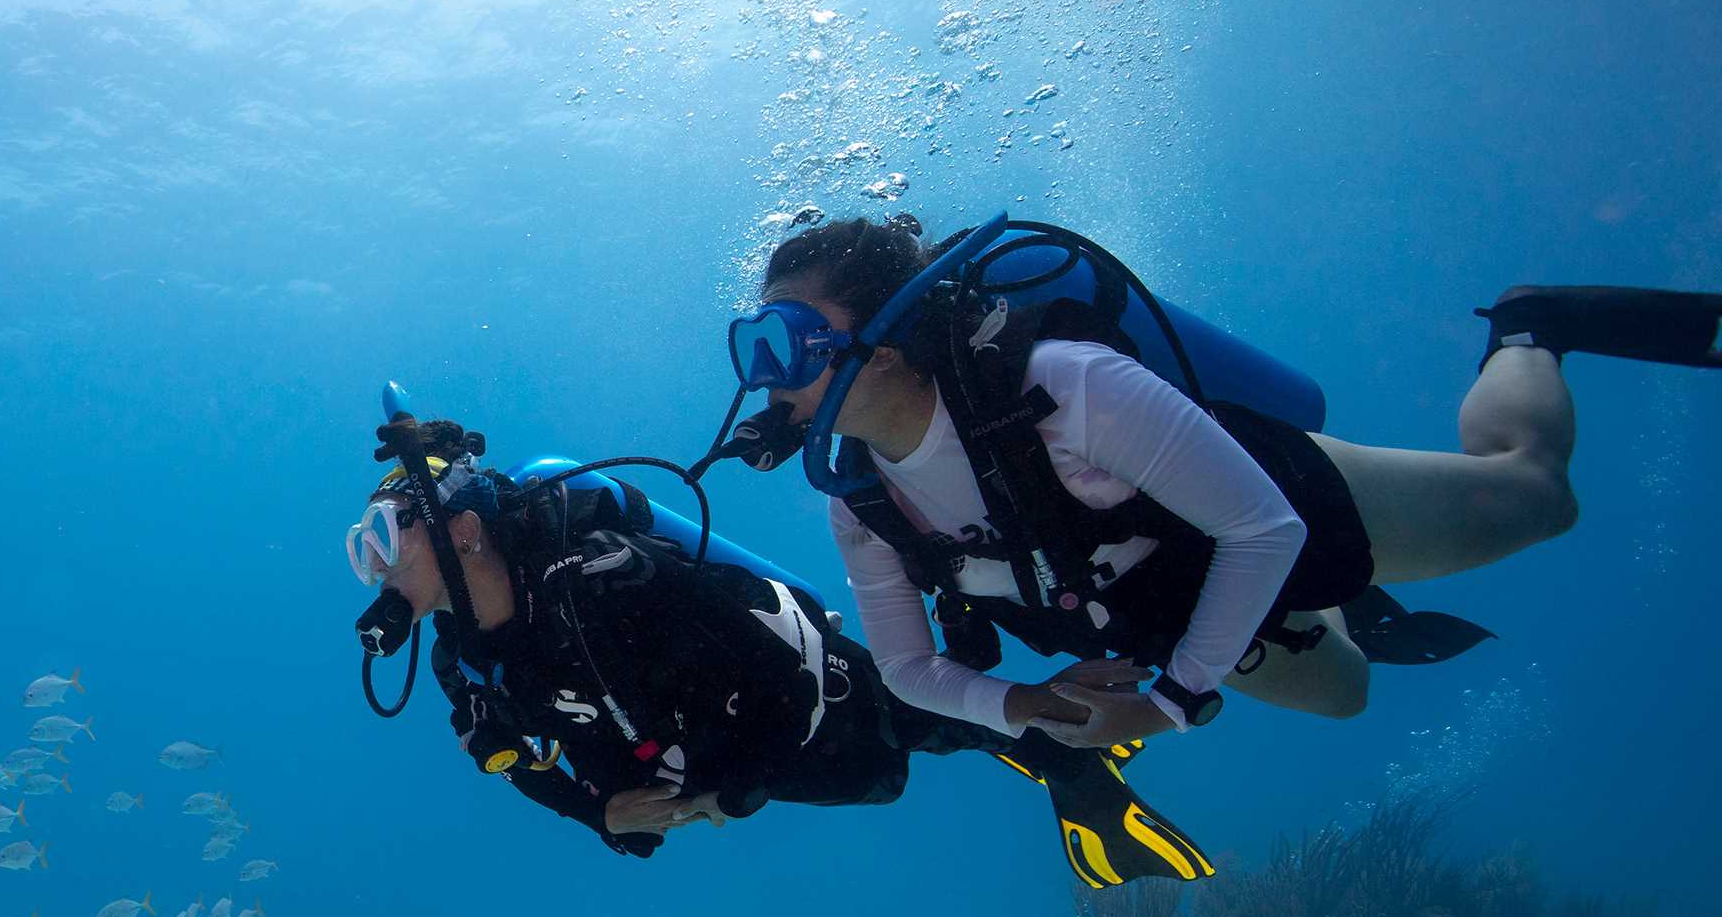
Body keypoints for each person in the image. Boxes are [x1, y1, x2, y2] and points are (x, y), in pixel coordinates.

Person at [721, 212, 1719, 746]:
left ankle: (1531, 325)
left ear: (887, 342)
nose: (765, 380)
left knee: (1543, 495)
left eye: (787, 342)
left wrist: (1167, 703)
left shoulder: (1062, 387)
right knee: (1348, 696)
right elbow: (905, 670)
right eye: (752, 346)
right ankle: (1348, 609)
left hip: (1272, 504)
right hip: (1179, 595)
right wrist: (1022, 707)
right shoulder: (856, 494)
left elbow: (1265, 531)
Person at [347, 406, 1213, 885]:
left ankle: (1075, 761)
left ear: (463, 532)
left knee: (926, 717)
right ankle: (1052, 746)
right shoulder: (460, 654)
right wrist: (598, 814)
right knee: (940, 725)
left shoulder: (604, 578)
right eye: (363, 547)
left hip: (815, 703)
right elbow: (499, 752)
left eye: (384, 535)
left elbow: (765, 653)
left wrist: (727, 789)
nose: (374, 565)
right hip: (727, 764)